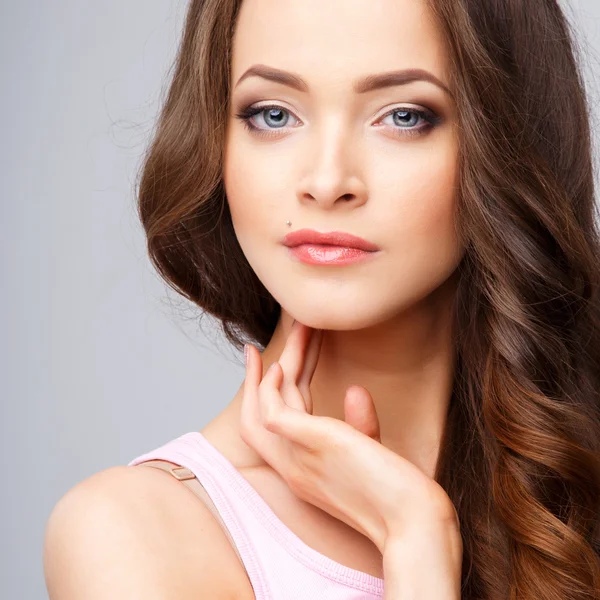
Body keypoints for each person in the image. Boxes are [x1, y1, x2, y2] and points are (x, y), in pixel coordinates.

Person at [43, 0, 600, 598]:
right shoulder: (136, 536)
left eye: (404, 116)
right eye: (274, 115)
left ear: (510, 140)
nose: (328, 182)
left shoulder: (575, 486)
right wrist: (417, 541)